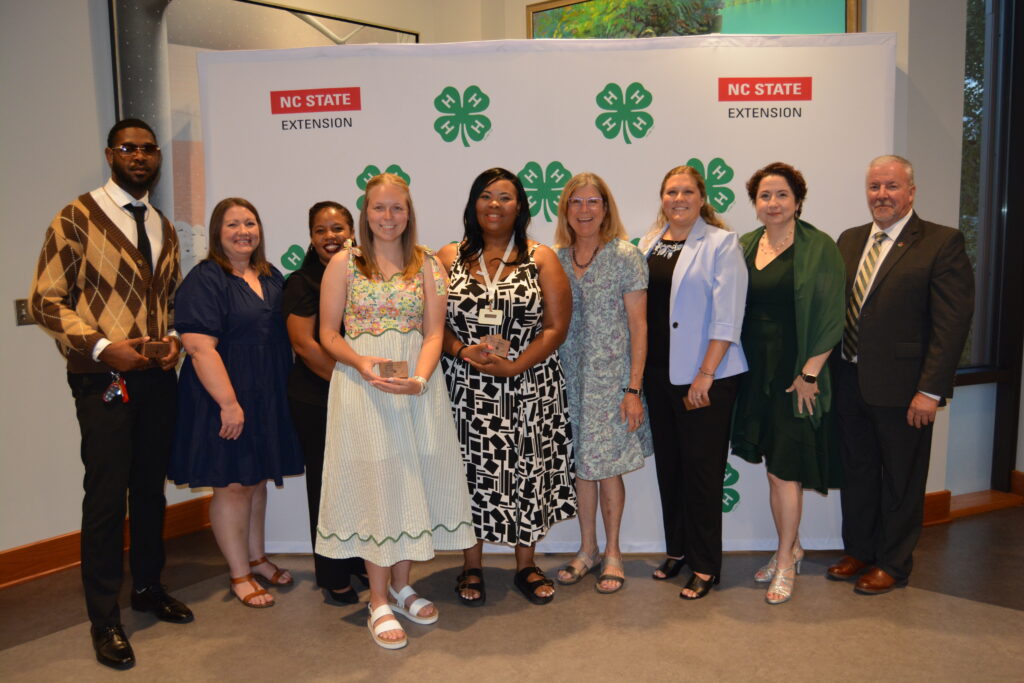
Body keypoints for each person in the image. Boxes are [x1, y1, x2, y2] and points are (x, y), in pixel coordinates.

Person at [28, 118, 193, 670]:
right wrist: (102, 349)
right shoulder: (75, 217)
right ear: (110, 154)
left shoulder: (163, 227)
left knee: (148, 490)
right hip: (102, 379)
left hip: (154, 379)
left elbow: (164, 303)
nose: (140, 157)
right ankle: (104, 619)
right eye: (129, 148)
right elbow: (45, 301)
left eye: (148, 150)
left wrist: (171, 345)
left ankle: (147, 588)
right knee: (105, 498)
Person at [315, 173, 475, 650]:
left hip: (416, 388)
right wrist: (362, 362)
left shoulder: (426, 264)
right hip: (361, 389)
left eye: (397, 209)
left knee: (412, 478)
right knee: (377, 485)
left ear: (409, 212)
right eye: (379, 208)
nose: (389, 217)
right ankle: (378, 599)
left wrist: (420, 380)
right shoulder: (344, 263)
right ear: (365, 212)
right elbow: (328, 334)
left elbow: (433, 333)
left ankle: (403, 587)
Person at [829, 155, 974, 594]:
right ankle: (860, 550)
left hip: (906, 389)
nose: (882, 195)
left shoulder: (941, 242)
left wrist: (929, 391)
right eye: (875, 187)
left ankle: (893, 563)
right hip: (849, 380)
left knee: (901, 479)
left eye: (891, 186)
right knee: (857, 472)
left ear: (911, 192)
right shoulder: (850, 240)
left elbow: (951, 325)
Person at [438, 167, 576, 607]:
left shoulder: (541, 257)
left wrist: (515, 366)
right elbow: (430, 326)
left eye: (504, 197)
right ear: (473, 203)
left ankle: (526, 564)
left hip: (529, 386)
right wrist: (461, 352)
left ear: (520, 207)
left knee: (527, 470)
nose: (493, 205)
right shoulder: (447, 256)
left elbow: (556, 327)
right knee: (470, 475)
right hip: (466, 389)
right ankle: (471, 564)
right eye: (485, 196)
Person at [169, 198, 304, 610]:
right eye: (232, 224)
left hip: (266, 396)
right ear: (217, 232)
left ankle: (256, 558)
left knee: (256, 479)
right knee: (231, 485)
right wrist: (229, 404)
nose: (243, 230)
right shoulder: (206, 278)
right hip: (223, 399)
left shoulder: (271, 276)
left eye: (250, 222)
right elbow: (198, 347)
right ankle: (238, 573)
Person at [730, 162, 845, 605]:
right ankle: (791, 547)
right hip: (753, 372)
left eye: (781, 195)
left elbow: (834, 314)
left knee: (785, 470)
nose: (772, 203)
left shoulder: (819, 248)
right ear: (755, 203)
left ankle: (784, 561)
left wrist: (810, 373)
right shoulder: (744, 245)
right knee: (773, 469)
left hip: (797, 375)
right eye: (764, 196)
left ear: (797, 200)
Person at [638, 165, 747, 600]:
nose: (678, 199)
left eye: (687, 192)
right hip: (660, 374)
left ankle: (705, 565)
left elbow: (728, 314)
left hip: (706, 378)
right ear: (662, 198)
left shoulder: (721, 243)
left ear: (702, 198)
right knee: (671, 468)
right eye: (670, 191)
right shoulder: (650, 243)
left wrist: (706, 373)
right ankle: (678, 550)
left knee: (702, 474)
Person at [552, 172, 652, 594]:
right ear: (565, 210)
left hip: (612, 383)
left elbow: (639, 327)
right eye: (576, 202)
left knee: (607, 469)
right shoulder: (554, 259)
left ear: (606, 208)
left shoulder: (626, 256)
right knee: (581, 468)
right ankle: (586, 548)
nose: (585, 210)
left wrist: (633, 390)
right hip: (568, 380)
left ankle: (613, 551)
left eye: (593, 202)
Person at [281, 201, 366, 605]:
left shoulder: (366, 275)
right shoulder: (302, 281)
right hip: (319, 398)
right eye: (321, 230)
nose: (330, 236)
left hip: (363, 393)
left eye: (338, 227)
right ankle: (333, 573)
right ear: (311, 238)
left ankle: (359, 560)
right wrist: (351, 383)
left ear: (352, 230)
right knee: (327, 484)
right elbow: (304, 345)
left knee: (360, 483)